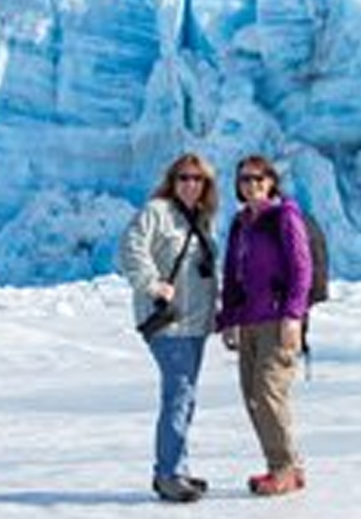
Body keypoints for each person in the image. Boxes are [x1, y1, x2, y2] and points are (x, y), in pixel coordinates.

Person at [119, 152, 219, 503]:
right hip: (169, 323)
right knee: (177, 395)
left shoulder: (201, 219)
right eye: (183, 177)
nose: (190, 184)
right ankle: (167, 474)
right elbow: (131, 248)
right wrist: (152, 283)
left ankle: (179, 467)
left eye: (198, 179)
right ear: (171, 181)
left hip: (196, 324)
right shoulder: (156, 212)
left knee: (185, 397)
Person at [217, 154, 312, 496]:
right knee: (252, 396)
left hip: (277, 319)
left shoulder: (284, 217)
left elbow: (302, 269)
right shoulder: (241, 223)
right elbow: (231, 275)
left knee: (269, 392)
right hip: (249, 320)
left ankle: (283, 468)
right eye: (245, 179)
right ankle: (287, 466)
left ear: (271, 181)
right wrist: (229, 318)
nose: (252, 184)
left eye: (259, 178)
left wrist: (293, 316)